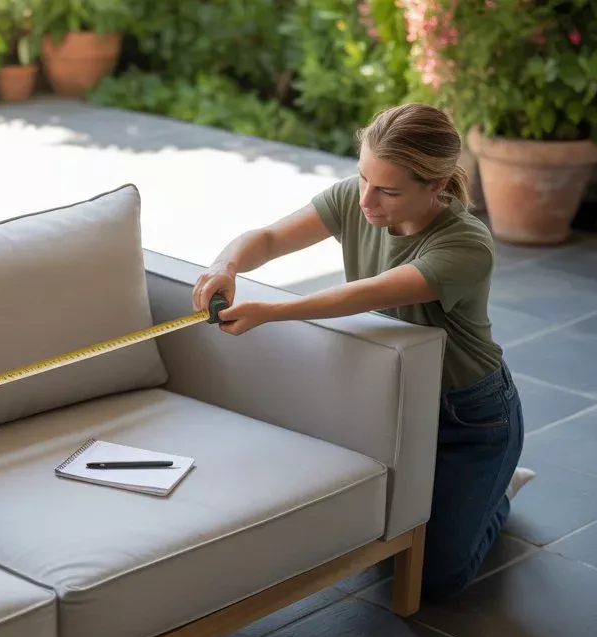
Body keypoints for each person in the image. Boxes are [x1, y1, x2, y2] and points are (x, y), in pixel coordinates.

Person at [192, 102, 534, 602]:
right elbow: (267, 238)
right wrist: (226, 265)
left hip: (469, 417)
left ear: (437, 185)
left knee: (436, 580)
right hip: (395, 397)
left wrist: (272, 311)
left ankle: (497, 492)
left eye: (388, 191)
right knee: (383, 550)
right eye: (363, 178)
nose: (367, 200)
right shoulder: (358, 197)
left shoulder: (466, 246)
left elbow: (363, 295)